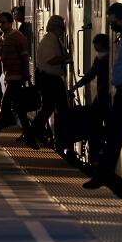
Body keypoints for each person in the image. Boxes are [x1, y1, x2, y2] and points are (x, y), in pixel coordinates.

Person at [83, 3, 122, 189]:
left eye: (112, 21)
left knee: (114, 136)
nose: (110, 25)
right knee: (116, 136)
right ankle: (104, 176)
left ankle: (101, 177)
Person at [0, 11, 38, 149]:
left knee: (5, 103)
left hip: (17, 78)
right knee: (20, 110)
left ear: (11, 22)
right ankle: (30, 139)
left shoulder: (19, 37)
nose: (1, 25)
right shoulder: (1, 40)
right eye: (0, 22)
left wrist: (26, 76)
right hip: (9, 78)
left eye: (4, 22)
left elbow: (25, 57)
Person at [70, 33, 110, 165]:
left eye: (96, 45)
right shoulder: (100, 58)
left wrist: (76, 85)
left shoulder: (107, 58)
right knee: (95, 124)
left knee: (95, 124)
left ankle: (96, 156)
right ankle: (95, 156)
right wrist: (77, 86)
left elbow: (91, 75)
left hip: (105, 97)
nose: (95, 48)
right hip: (102, 96)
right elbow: (91, 75)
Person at [31, 15, 71, 147]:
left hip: (53, 79)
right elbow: (51, 60)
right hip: (49, 79)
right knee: (50, 107)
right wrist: (66, 58)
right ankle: (33, 133)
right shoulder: (49, 41)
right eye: (61, 27)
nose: (63, 30)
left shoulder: (54, 40)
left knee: (57, 107)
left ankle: (60, 137)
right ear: (56, 28)